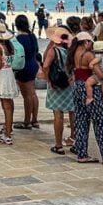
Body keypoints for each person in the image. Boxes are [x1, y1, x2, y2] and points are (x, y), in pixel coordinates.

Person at [68, 31, 103, 164]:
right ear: (86, 42)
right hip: (90, 89)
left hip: (77, 87)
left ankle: (82, 154)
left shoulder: (73, 54)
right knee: (99, 122)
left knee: (81, 121)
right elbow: (99, 74)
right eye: (90, 42)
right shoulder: (89, 55)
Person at [43, 25, 75, 154]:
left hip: (56, 85)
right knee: (73, 113)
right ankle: (75, 139)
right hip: (69, 84)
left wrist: (48, 80)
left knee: (58, 114)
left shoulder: (54, 51)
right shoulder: (71, 50)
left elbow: (45, 66)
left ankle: (58, 144)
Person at [12, 14, 41, 130]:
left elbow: (16, 53)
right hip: (33, 64)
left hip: (24, 66)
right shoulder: (32, 36)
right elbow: (37, 50)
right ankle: (34, 119)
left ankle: (27, 121)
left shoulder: (19, 39)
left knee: (27, 95)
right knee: (33, 93)